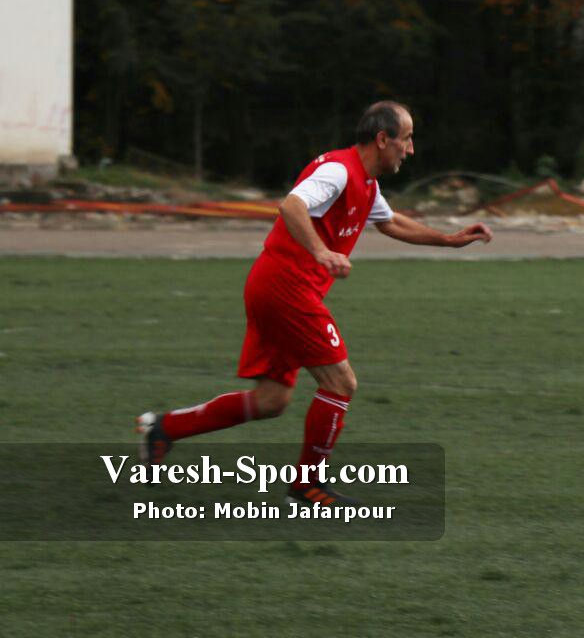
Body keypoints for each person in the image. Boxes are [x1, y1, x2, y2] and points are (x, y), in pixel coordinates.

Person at [136, 101, 493, 505]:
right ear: (382, 139)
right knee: (341, 382)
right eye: (406, 139)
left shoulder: (366, 183)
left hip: (275, 287)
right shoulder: (338, 171)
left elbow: (391, 222)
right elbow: (291, 205)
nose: (410, 149)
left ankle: (163, 429)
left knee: (271, 401)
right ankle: (307, 486)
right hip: (286, 289)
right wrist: (321, 251)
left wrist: (449, 239)